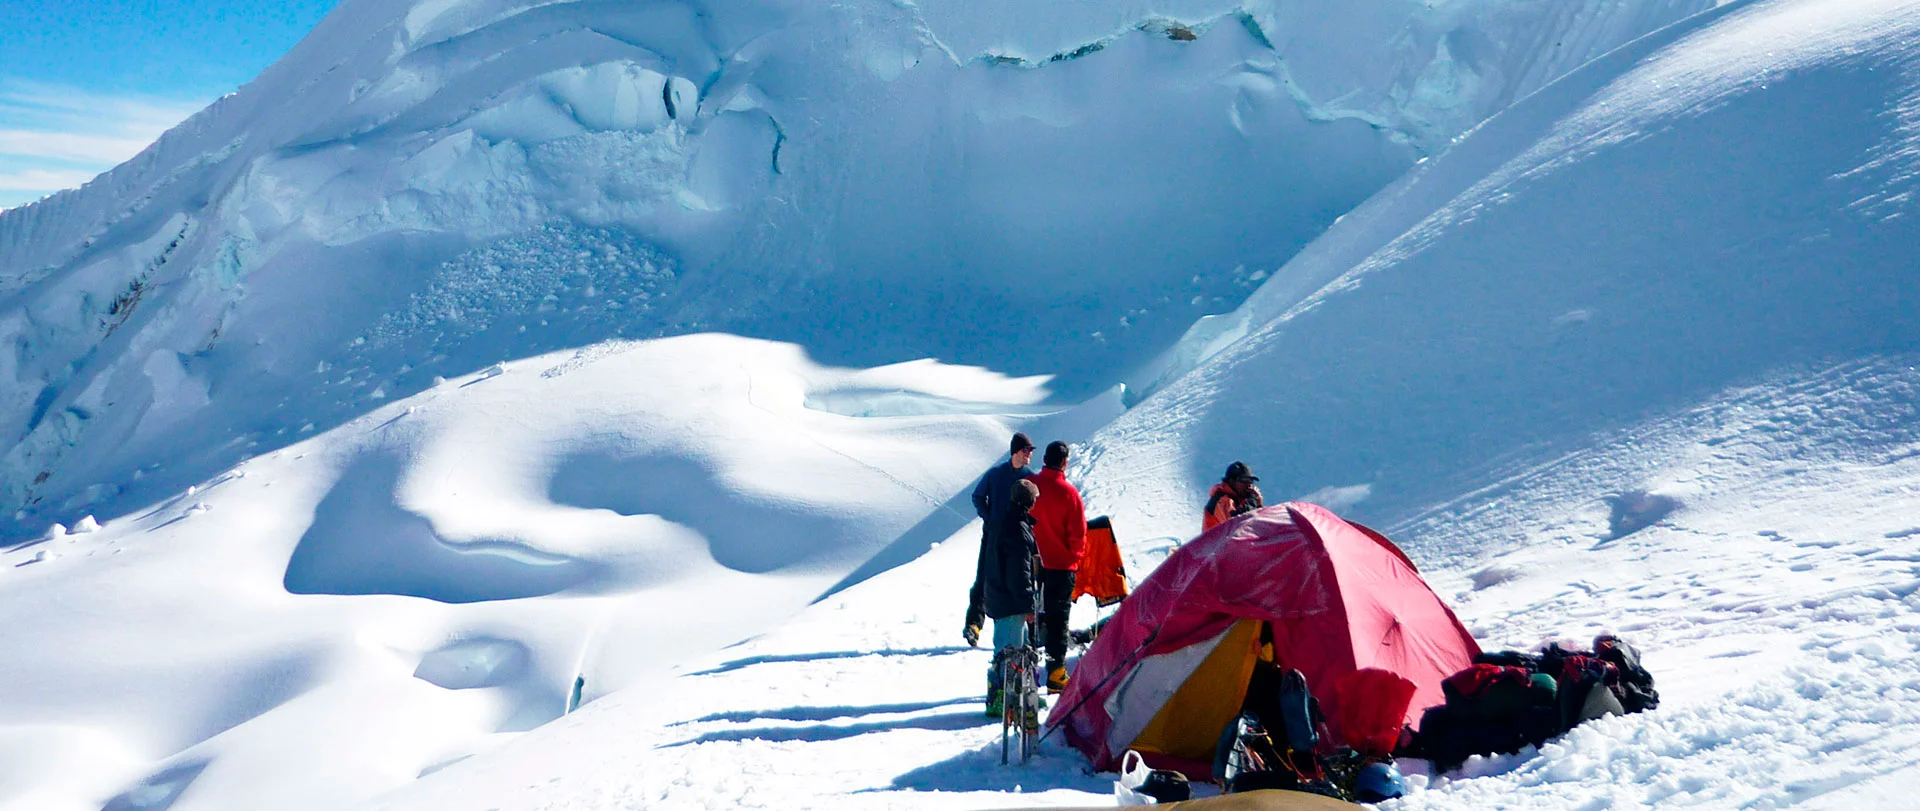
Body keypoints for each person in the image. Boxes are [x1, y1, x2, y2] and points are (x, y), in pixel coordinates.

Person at [965, 432, 1037, 646]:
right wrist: (989, 518)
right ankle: (974, 625)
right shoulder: (995, 474)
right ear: (1015, 451)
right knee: (984, 577)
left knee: (1022, 578)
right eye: (1026, 451)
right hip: (993, 534)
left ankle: (1031, 631)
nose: (1029, 455)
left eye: (1030, 452)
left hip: (1018, 534)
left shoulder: (1030, 476)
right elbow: (977, 496)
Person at [1027, 440, 1087, 694]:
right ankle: (1056, 674)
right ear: (1064, 462)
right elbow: (1078, 534)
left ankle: (1026, 672)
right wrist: (1075, 559)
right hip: (1061, 565)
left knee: (1029, 616)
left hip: (1031, 561)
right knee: (1057, 619)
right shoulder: (1068, 493)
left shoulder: (1032, 486)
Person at [980, 478, 1041, 716]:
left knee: (1019, 649)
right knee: (1010, 653)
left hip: (998, 595)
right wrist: (1028, 604)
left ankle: (1022, 699)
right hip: (1010, 602)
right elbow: (1020, 572)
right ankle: (1003, 702)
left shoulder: (1004, 521)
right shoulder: (1018, 529)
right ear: (1029, 501)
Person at [1203, 461, 1264, 531]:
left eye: (1251, 481)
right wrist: (1252, 500)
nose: (1249, 485)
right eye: (1244, 480)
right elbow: (1237, 524)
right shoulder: (1222, 500)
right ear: (1231, 481)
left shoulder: (1241, 500)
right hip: (1218, 541)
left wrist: (1258, 503)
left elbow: (1257, 523)